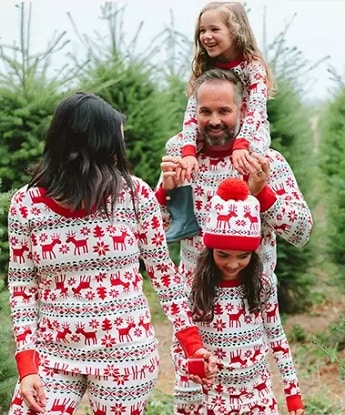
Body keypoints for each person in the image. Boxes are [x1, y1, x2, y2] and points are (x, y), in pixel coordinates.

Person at [7, 92, 217, 415]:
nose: (121, 152)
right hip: (53, 355)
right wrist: (27, 365)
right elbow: (23, 288)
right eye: (116, 143)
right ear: (94, 146)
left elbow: (164, 275)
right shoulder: (26, 206)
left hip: (125, 356)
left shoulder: (135, 197)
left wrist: (192, 344)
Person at [156, 68, 313, 414]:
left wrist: (263, 195)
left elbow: (301, 232)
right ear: (193, 111)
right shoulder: (182, 157)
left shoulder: (266, 162)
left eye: (223, 111)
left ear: (242, 111)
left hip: (251, 305)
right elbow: (155, 235)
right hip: (195, 307)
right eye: (205, 111)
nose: (213, 121)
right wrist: (164, 193)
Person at [171, 177, 305, 414]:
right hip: (210, 399)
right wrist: (194, 365)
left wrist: (292, 392)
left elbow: (277, 337)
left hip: (256, 396)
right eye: (223, 255)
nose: (233, 264)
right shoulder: (192, 287)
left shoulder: (263, 284)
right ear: (210, 248)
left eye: (243, 256)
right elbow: (178, 344)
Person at [165, 1, 274, 242]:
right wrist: (189, 151)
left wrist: (242, 145)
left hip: (250, 131)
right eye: (202, 31)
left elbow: (256, 109)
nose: (206, 36)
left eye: (214, 29)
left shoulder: (253, 68)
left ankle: (241, 218)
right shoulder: (206, 67)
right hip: (215, 133)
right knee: (175, 147)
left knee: (252, 159)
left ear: (236, 30)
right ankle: (184, 218)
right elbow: (192, 112)